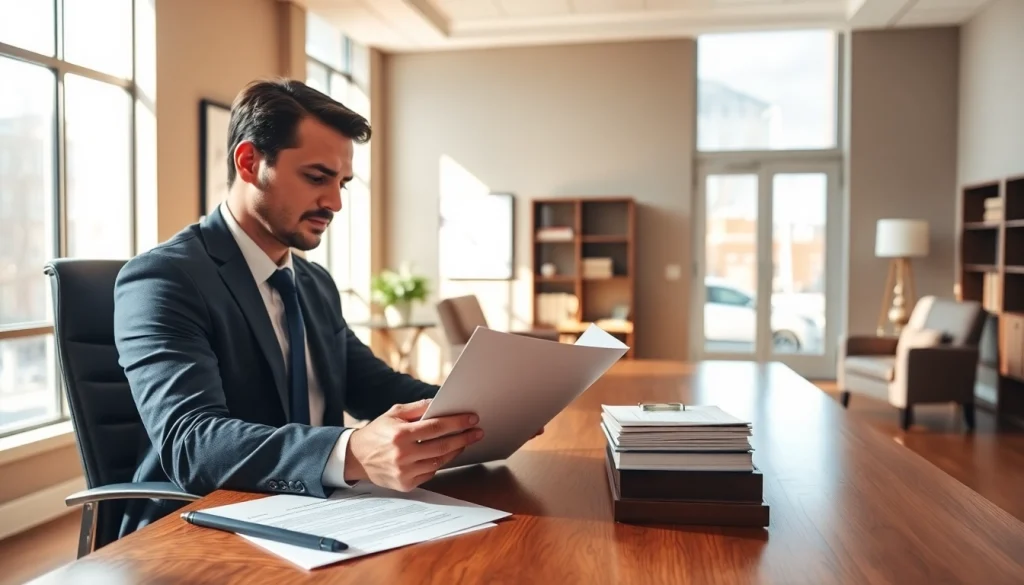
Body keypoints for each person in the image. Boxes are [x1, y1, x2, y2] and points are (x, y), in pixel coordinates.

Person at [113, 79, 483, 536]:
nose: (335, 202)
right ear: (249, 163)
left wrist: (478, 408)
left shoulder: (312, 282)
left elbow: (371, 386)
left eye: (342, 183)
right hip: (197, 524)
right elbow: (192, 443)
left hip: (316, 512)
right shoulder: (164, 278)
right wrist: (352, 452)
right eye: (316, 178)